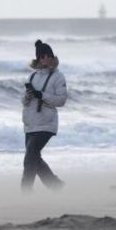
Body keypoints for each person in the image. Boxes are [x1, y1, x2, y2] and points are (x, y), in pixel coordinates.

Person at [21, 40, 67, 192]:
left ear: (53, 57)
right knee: (34, 158)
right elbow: (24, 101)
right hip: (30, 123)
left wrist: (42, 95)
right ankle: (55, 185)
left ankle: (25, 191)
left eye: (49, 55)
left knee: (30, 158)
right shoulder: (31, 77)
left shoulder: (58, 77)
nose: (46, 59)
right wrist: (27, 97)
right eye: (43, 56)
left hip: (47, 123)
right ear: (38, 58)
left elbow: (61, 100)